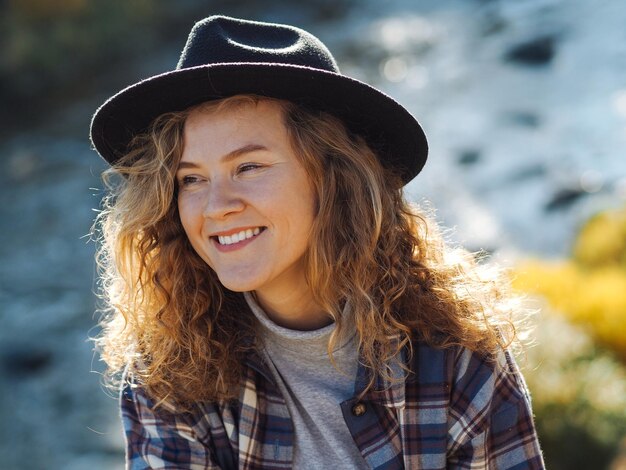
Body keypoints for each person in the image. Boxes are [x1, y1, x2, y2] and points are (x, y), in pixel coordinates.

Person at [90, 15, 545, 470]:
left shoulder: (456, 356)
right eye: (191, 178)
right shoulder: (169, 373)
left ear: (332, 178)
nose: (215, 206)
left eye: (249, 167)